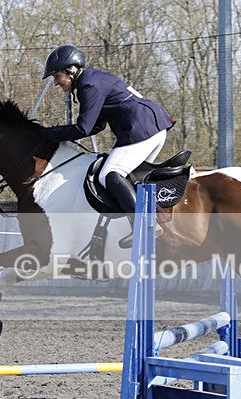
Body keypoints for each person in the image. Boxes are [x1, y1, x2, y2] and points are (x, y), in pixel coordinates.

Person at [41, 44, 174, 247]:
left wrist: (48, 134)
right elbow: (96, 126)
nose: (56, 83)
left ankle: (146, 225)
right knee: (128, 179)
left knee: (109, 175)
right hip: (152, 127)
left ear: (70, 70)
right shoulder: (93, 79)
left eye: (56, 76)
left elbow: (83, 129)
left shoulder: (88, 85)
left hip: (141, 130)